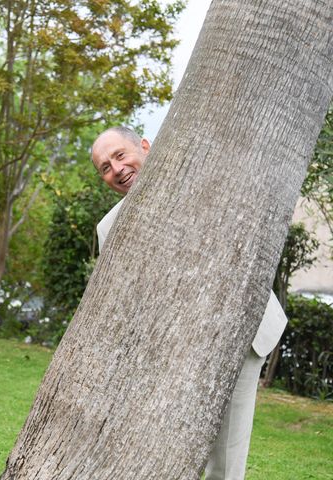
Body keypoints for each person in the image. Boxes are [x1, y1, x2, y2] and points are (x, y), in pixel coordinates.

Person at [91, 126, 287, 480]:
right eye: (105, 167)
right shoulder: (109, 229)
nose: (116, 169)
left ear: (146, 147)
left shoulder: (203, 179)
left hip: (240, 337)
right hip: (171, 353)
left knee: (226, 462)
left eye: (120, 155)